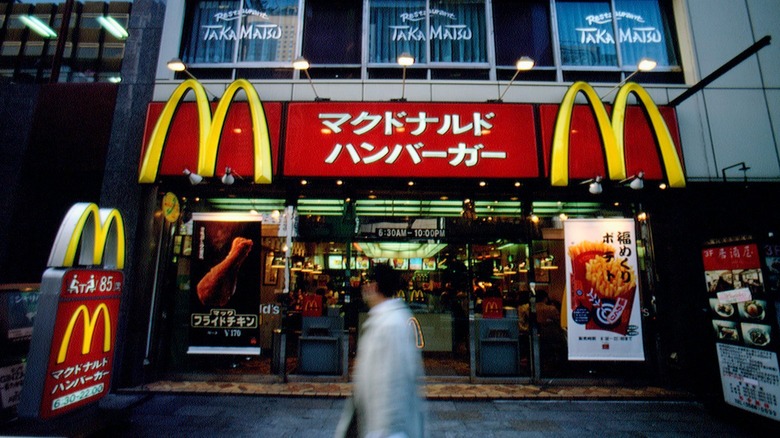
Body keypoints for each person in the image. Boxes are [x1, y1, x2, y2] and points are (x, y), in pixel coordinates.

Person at [335, 263, 425, 438]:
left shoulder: (390, 325)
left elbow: (393, 386)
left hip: (385, 429)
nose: (363, 287)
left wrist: (384, 432)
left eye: (366, 282)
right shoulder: (384, 319)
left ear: (374, 286)